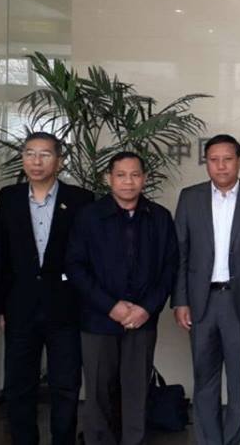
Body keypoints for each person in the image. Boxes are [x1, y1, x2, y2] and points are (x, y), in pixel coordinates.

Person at [66, 152, 178, 445]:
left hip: (142, 319)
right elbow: (75, 266)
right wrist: (111, 306)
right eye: (121, 175)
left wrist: (146, 308)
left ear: (145, 178)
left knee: (136, 391)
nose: (128, 182)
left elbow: (169, 268)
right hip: (98, 319)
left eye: (135, 175)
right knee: (98, 393)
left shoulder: (159, 217)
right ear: (109, 179)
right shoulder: (89, 216)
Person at [0, 132, 94, 445]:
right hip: (20, 306)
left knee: (65, 384)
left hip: (65, 306)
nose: (36, 161)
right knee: (19, 385)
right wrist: (0, 306)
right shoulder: (9, 197)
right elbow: (0, 254)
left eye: (45, 154)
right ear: (23, 158)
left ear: (59, 161)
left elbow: (88, 255)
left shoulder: (80, 199)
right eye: (30, 153)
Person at [171, 134, 240, 445]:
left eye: (227, 159)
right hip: (201, 302)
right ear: (207, 163)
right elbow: (180, 253)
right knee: (204, 378)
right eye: (214, 160)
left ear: (239, 161)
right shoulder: (190, 197)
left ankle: (233, 440)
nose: (221, 166)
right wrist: (180, 300)